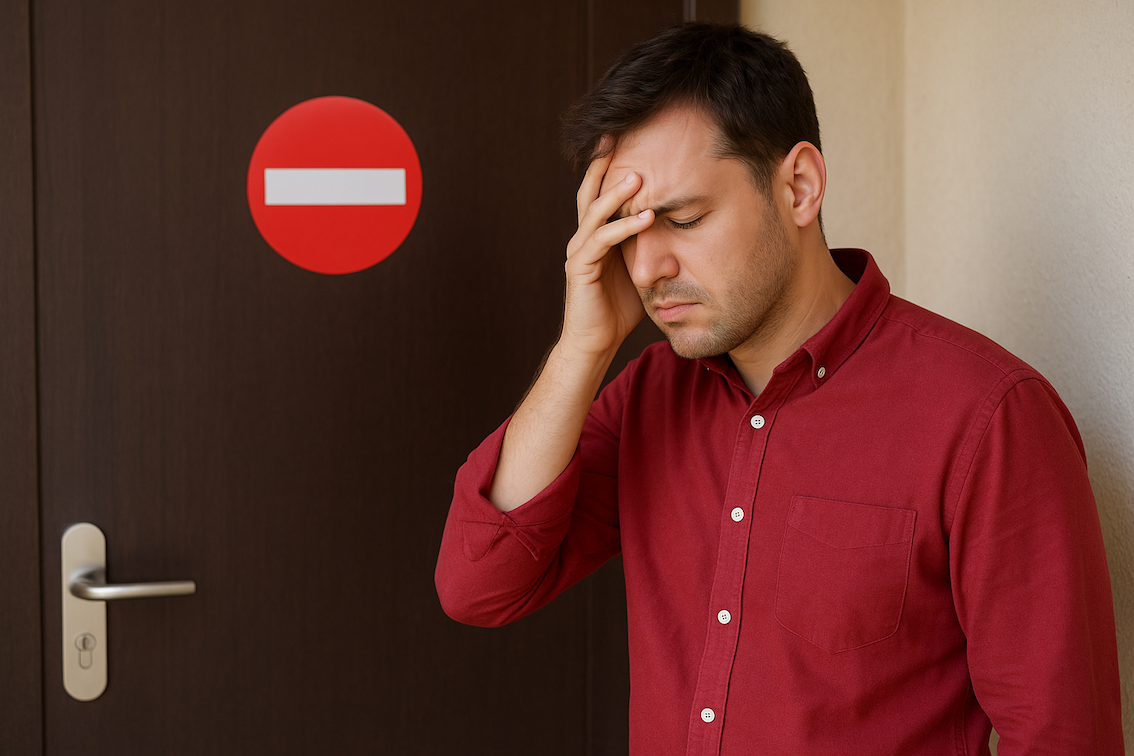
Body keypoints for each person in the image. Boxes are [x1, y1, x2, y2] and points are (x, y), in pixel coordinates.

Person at [435, 22, 1123, 756]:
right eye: (625, 232)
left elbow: (1061, 736)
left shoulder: (990, 416)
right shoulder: (646, 397)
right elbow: (482, 587)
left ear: (798, 187)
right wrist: (584, 346)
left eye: (683, 219)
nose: (645, 267)